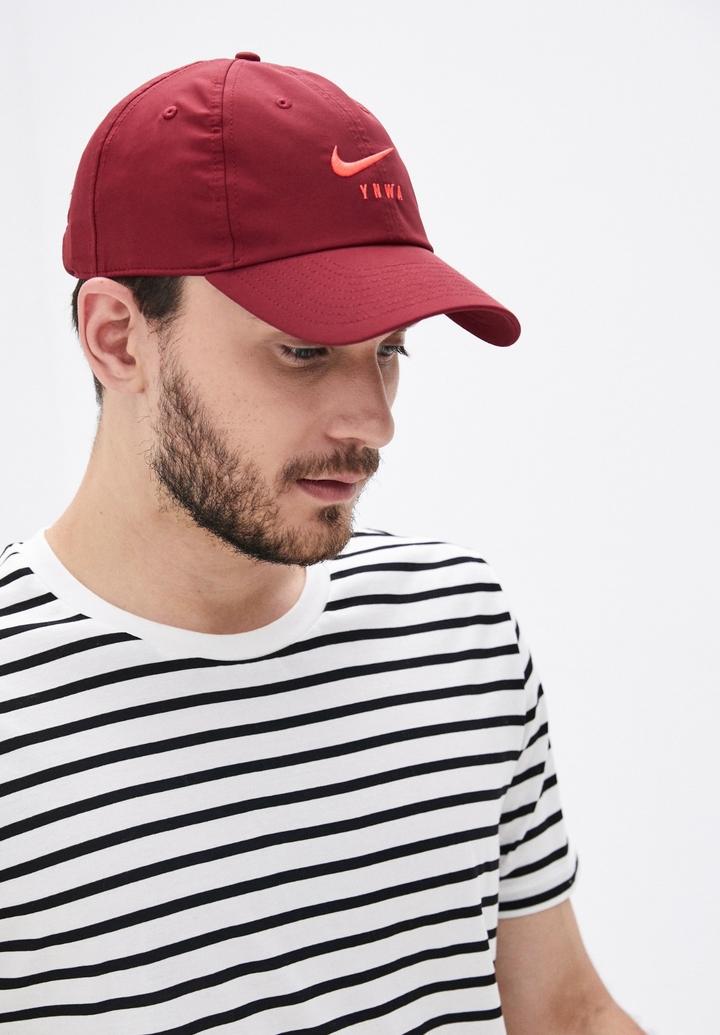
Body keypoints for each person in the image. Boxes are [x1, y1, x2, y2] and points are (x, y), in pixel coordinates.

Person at [0, 52, 645, 1034]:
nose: (375, 422)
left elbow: (562, 1012)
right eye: (302, 350)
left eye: (389, 350)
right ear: (119, 338)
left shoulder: (457, 624)